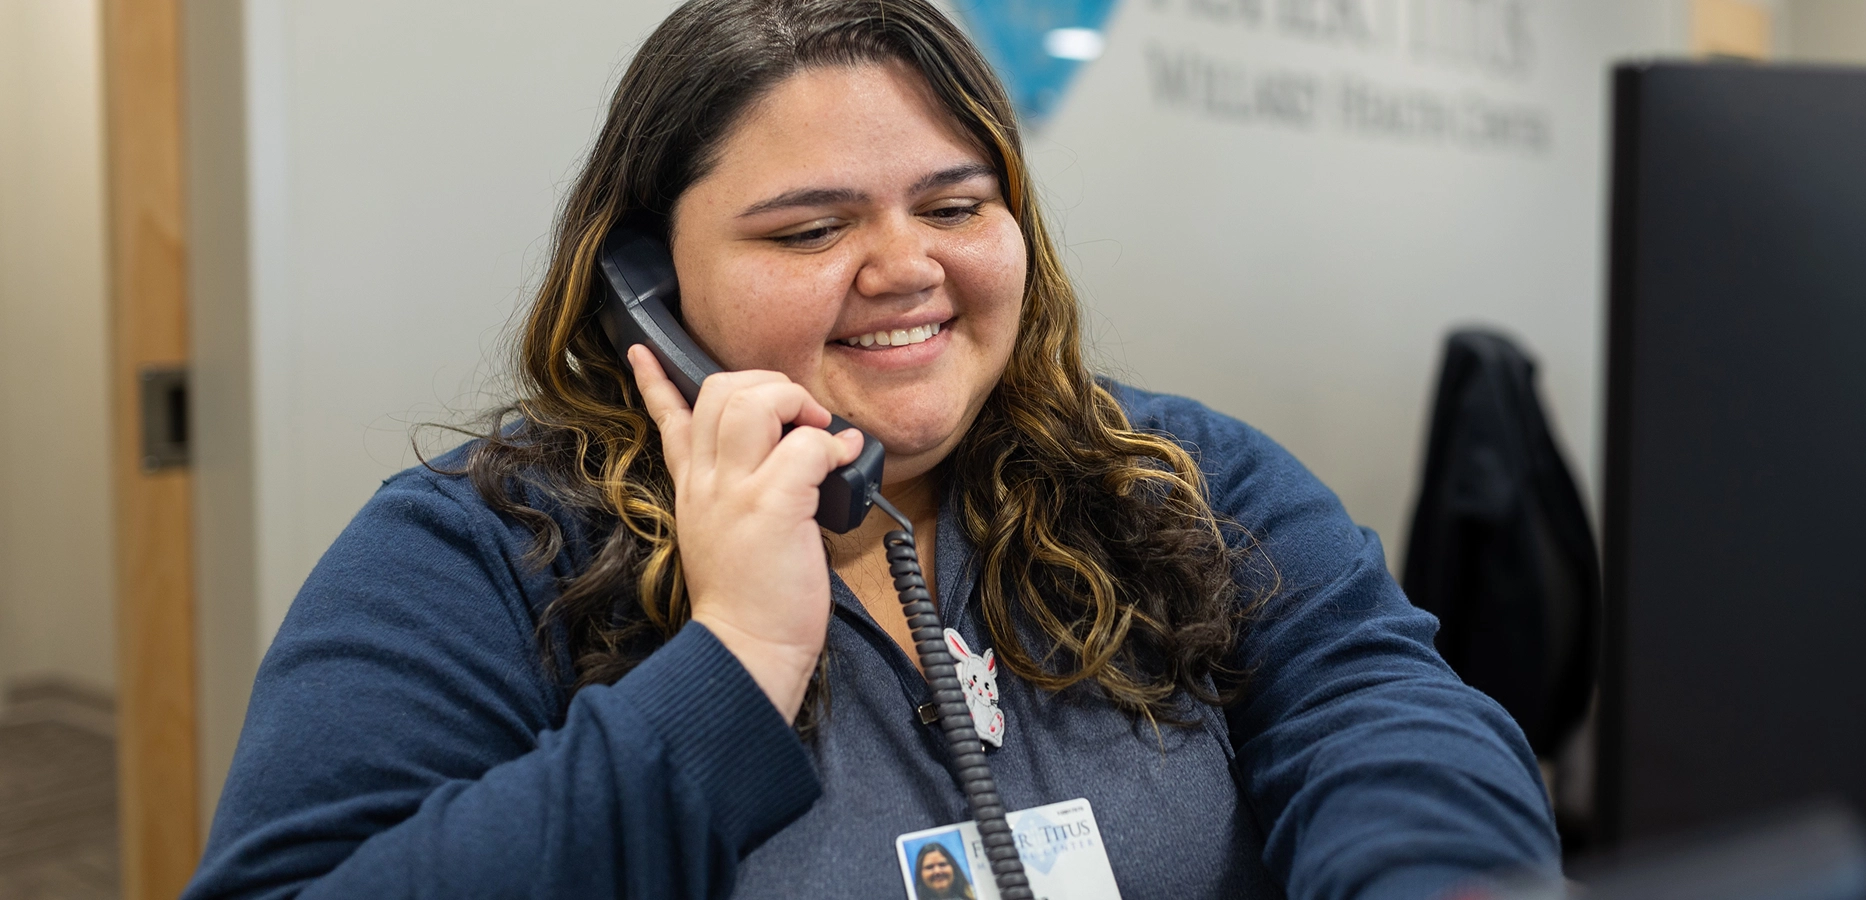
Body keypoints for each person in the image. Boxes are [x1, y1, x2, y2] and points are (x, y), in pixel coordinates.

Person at [183, 0, 1559, 897]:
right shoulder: (481, 552)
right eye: (809, 229)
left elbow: (1381, 712)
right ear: (646, 286)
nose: (908, 267)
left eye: (955, 204)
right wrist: (732, 669)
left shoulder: (1176, 479)